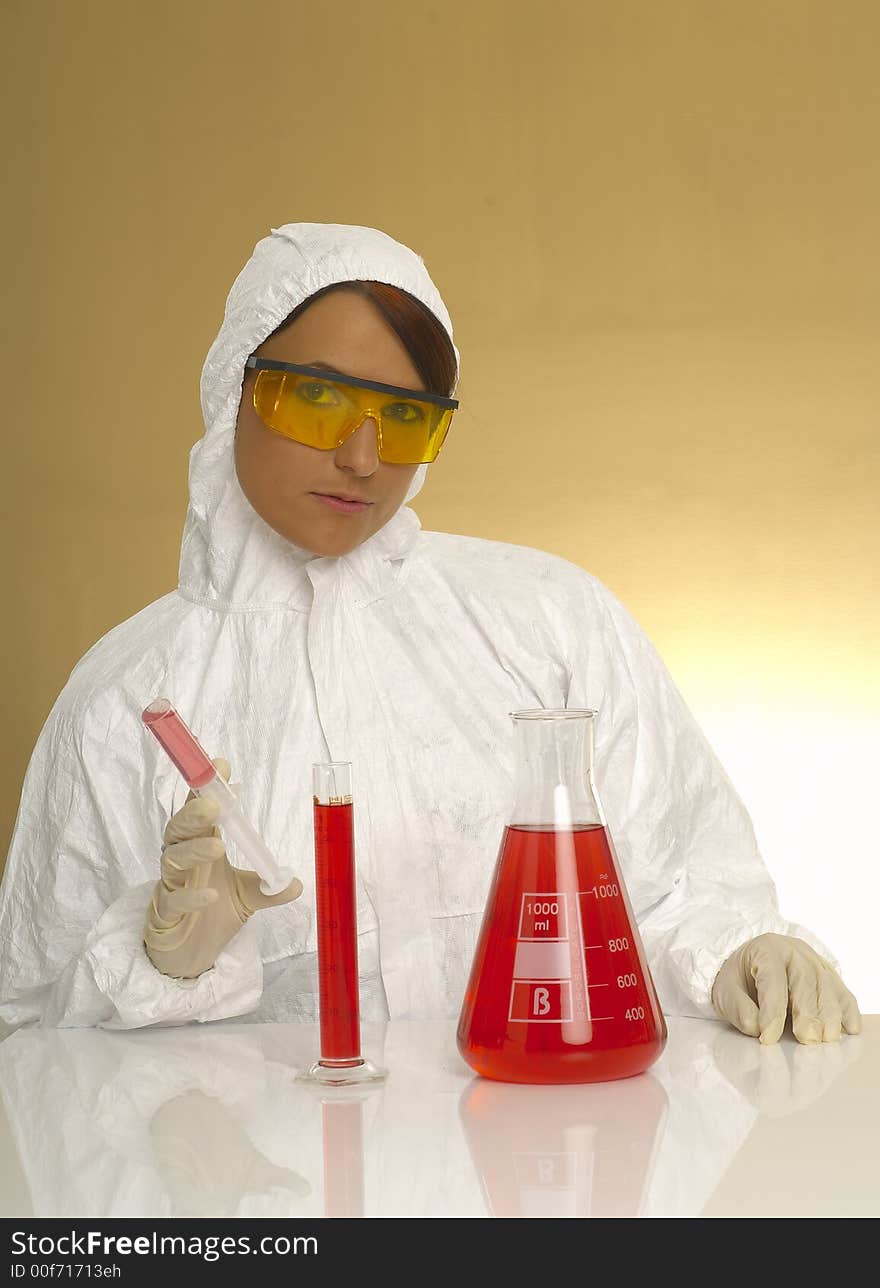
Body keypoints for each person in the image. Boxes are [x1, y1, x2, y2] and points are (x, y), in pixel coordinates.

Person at [0, 222, 861, 1044]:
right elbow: (30, 1050)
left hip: (540, 1175)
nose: (364, 458)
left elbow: (681, 887)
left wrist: (740, 955)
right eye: (320, 398)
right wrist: (161, 969)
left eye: (405, 415)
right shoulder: (123, 697)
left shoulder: (546, 619)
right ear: (235, 386)